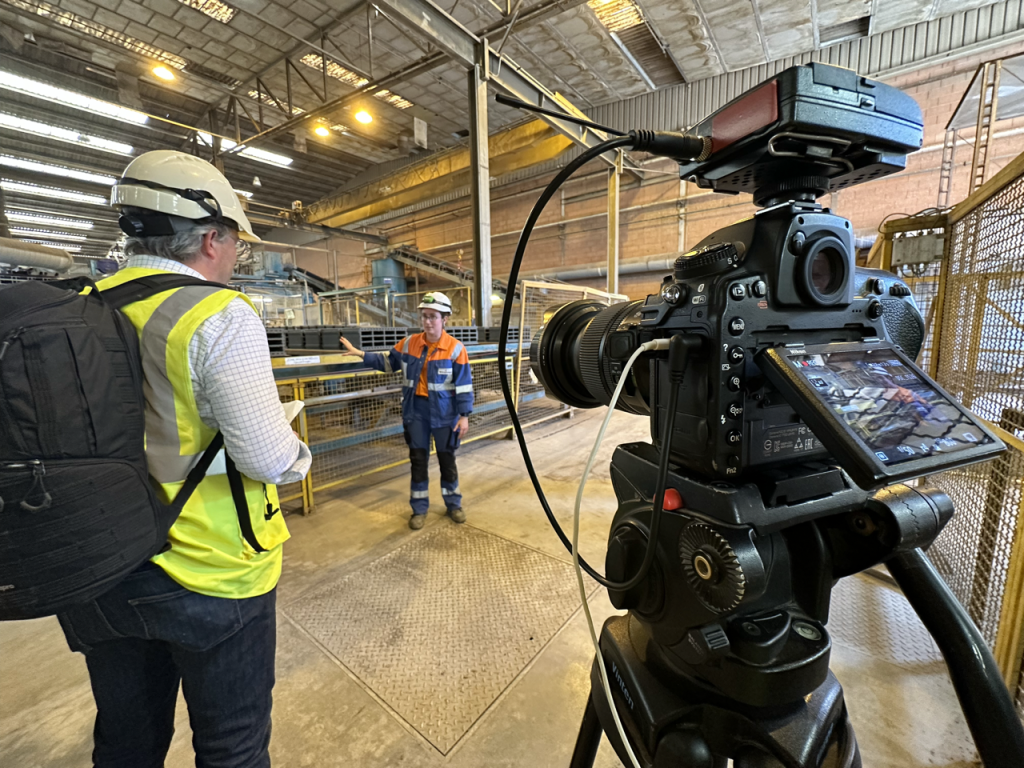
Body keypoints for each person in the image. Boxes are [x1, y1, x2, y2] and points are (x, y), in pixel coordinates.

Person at [56, 150, 311, 768]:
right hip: (209, 573)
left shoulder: (75, 309)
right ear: (212, 238)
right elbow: (267, 458)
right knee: (232, 748)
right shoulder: (217, 315)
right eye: (236, 244)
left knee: (125, 743)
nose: (235, 258)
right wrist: (297, 452)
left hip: (98, 566)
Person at [340, 292, 473, 530]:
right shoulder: (410, 343)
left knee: (447, 461)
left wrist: (464, 416)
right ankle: (419, 509)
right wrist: (360, 354)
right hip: (417, 413)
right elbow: (388, 363)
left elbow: (463, 385)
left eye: (433, 317)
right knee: (418, 462)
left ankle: (454, 505)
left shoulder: (455, 349)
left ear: (445, 319)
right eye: (424, 316)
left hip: (445, 415)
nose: (428, 321)